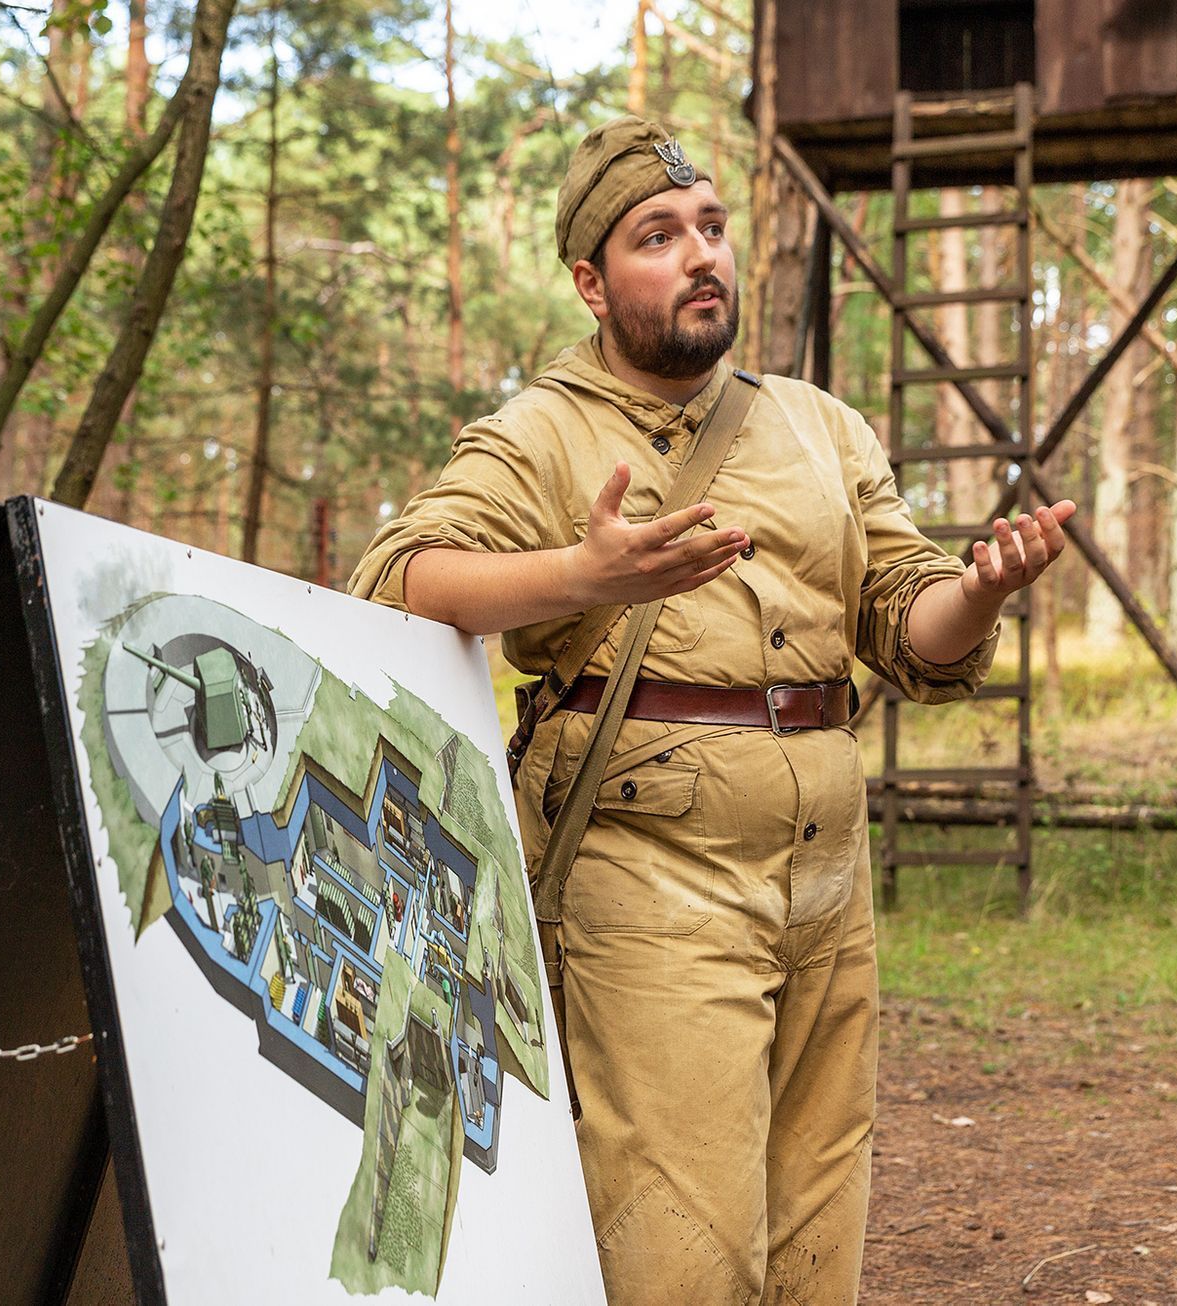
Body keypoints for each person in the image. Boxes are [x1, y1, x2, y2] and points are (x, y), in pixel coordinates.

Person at [349, 116, 1075, 1304]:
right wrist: (585, 576)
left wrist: (978, 593)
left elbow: (906, 620)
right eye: (656, 237)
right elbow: (395, 574)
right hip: (650, 877)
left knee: (816, 1231)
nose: (701, 257)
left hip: (828, 873)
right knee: (680, 1251)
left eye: (712, 229)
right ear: (590, 282)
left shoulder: (818, 424)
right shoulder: (544, 430)